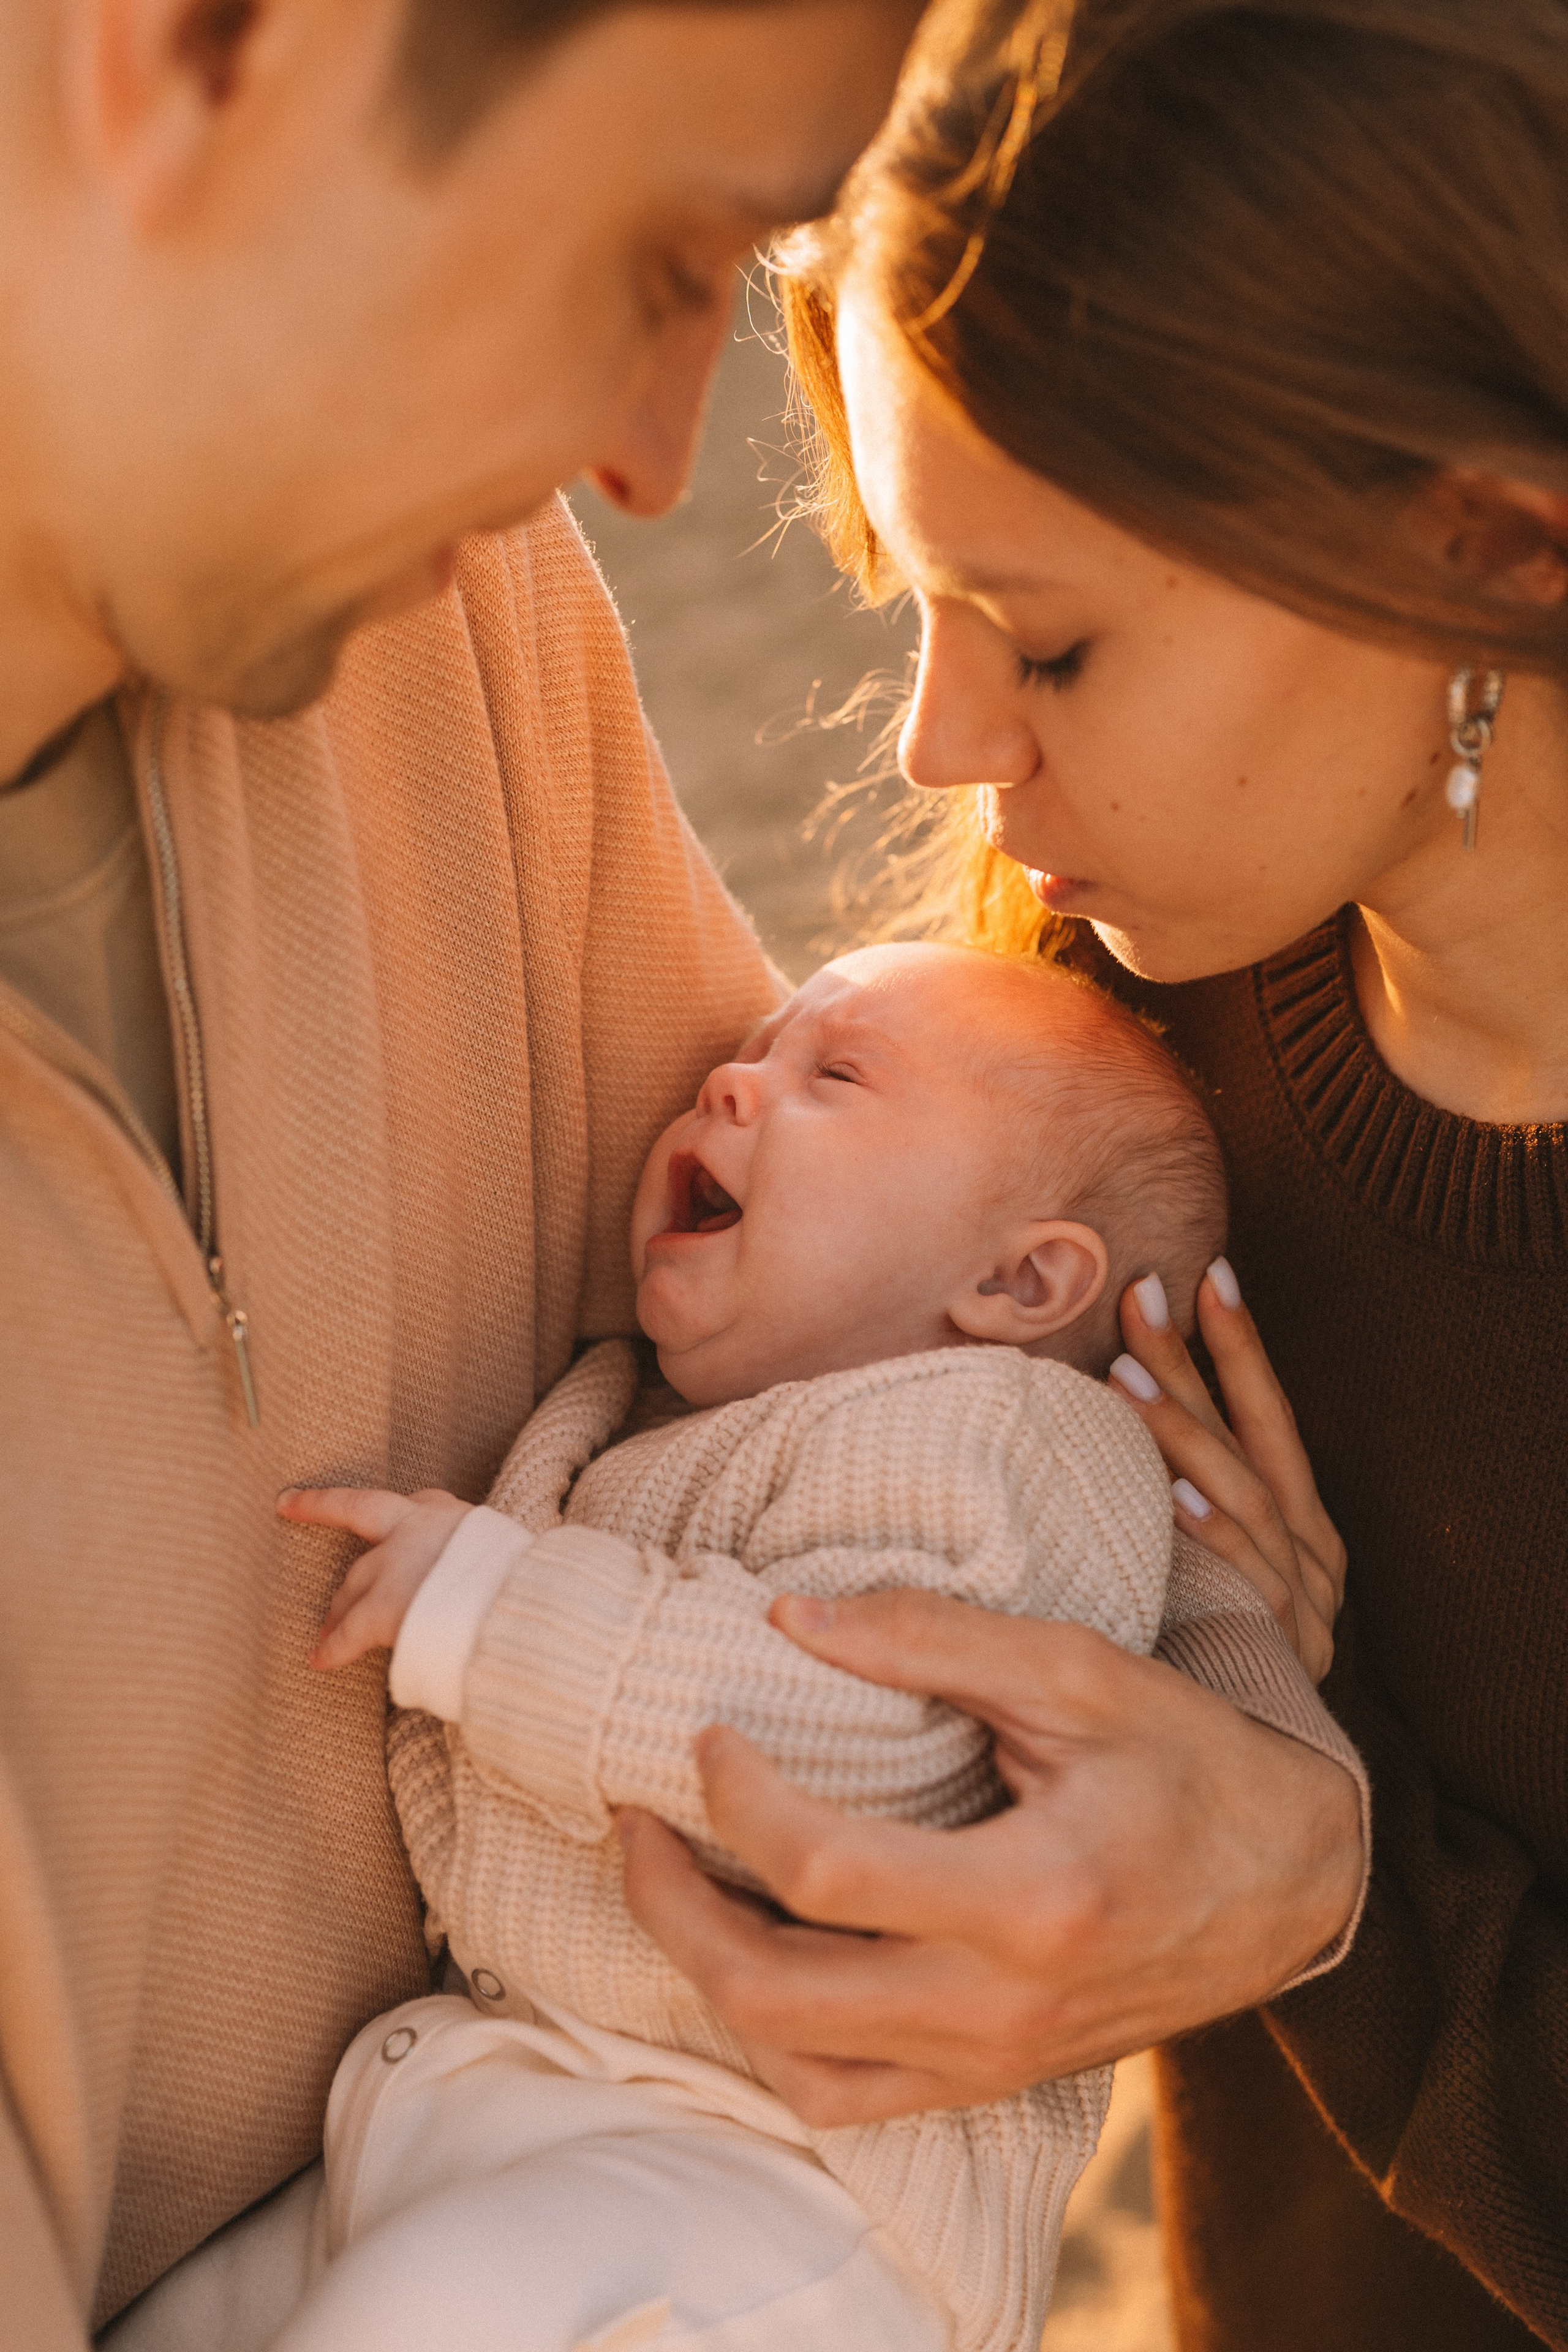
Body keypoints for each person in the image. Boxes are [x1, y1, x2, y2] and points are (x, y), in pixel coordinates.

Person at [608, 3, 1568, 2347]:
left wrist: (1320, 1892)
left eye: (1045, 641)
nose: (943, 742)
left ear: (1496, 546)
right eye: (913, 598)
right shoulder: (1120, 1002)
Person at [0, 2, 925, 2344]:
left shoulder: (440, 604)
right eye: (648, 256)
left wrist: (1249, 1814)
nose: (646, 455)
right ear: (197, 53)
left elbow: (899, 1347)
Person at [276, 941, 1363, 2352]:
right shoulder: (640, 1404)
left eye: (831, 1073)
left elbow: (886, 1749)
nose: (726, 1082)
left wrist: (494, 1612)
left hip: (786, 2195)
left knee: (417, 2318)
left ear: (1023, 1280)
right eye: (753, 1049)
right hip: (522, 2111)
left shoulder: (1002, 1439)